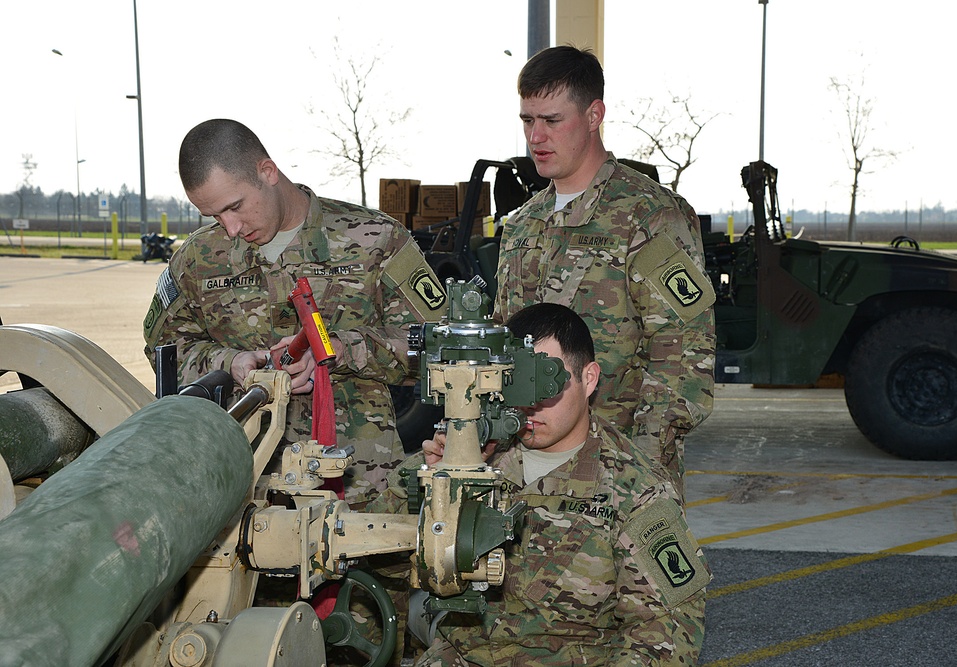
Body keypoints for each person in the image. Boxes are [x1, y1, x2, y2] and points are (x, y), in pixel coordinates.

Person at [373, 303, 710, 665]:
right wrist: (431, 478)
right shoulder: (476, 458)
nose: (529, 403)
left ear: (589, 378)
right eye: (517, 382)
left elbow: (666, 633)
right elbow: (378, 557)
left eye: (545, 380)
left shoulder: (636, 489)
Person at [142, 118, 447, 505]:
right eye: (215, 216)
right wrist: (230, 363)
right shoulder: (198, 258)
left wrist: (337, 351)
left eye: (235, 207)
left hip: (356, 491)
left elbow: (441, 345)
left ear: (267, 172)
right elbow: (164, 351)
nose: (231, 228)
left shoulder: (374, 239)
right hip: (239, 492)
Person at [493, 45, 716, 495]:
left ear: (594, 115)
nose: (535, 136)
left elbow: (685, 358)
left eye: (552, 120)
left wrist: (639, 468)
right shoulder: (521, 225)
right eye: (527, 120)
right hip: (521, 467)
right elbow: (504, 343)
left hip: (616, 473)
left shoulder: (650, 217)